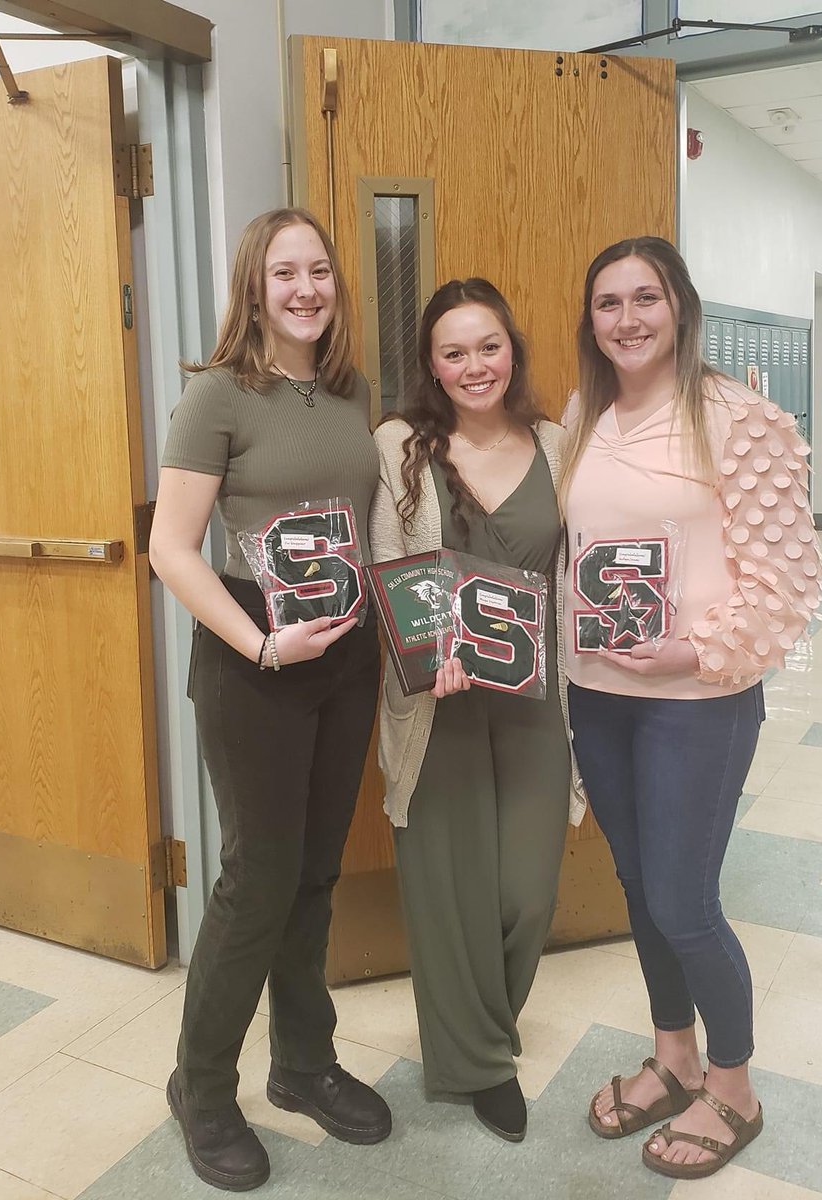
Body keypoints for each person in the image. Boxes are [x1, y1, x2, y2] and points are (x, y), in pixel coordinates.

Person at [560, 237, 822, 1180]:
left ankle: (733, 1086)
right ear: (590, 321)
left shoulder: (738, 419)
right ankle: (673, 1057)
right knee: (638, 888)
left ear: (680, 307)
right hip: (601, 695)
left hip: (695, 701)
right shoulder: (585, 414)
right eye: (608, 302)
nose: (627, 319)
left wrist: (692, 650)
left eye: (646, 297)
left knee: (684, 900)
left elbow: (786, 583)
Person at [149, 207, 391, 1192]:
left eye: (319, 270)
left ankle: (302, 1065)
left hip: (344, 648)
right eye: (284, 272)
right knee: (258, 879)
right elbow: (172, 548)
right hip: (253, 649)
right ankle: (203, 1089)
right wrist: (259, 642)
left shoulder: (349, 390)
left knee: (315, 874)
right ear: (254, 286)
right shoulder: (216, 396)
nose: (305, 289)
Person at [369, 279, 586, 1143]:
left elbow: (581, 568)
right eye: (453, 352)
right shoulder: (399, 447)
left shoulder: (557, 445)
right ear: (431, 364)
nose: (474, 366)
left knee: (525, 894)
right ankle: (481, 1062)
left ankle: (488, 1028)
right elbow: (386, 566)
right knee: (448, 892)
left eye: (488, 346)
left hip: (536, 703)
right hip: (440, 706)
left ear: (513, 350)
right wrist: (426, 658)